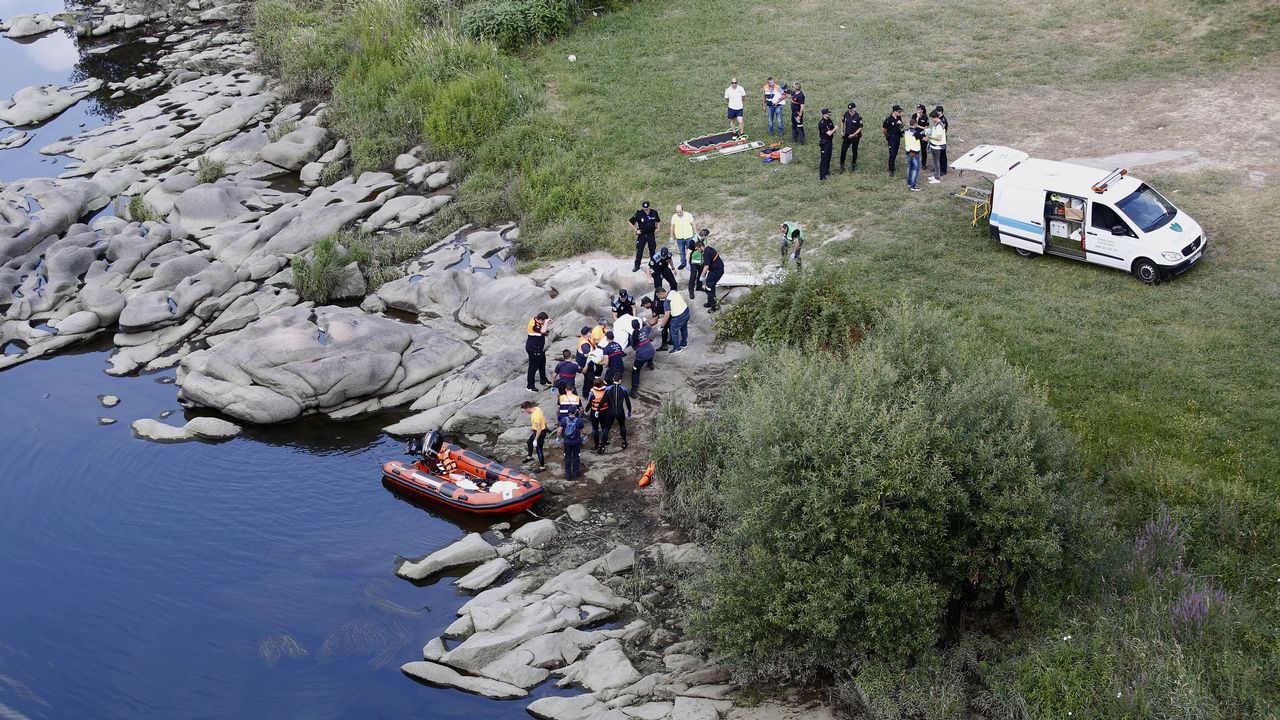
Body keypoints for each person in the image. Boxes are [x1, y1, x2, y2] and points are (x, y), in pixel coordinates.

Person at [600, 376, 633, 451]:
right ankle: (624, 443)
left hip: (610, 411)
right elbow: (628, 402)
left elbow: (603, 401)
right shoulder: (624, 389)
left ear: (613, 379)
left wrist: (598, 410)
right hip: (620, 411)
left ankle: (602, 446)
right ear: (620, 380)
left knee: (607, 428)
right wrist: (629, 411)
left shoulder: (608, 389)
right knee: (622, 426)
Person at [628, 201, 660, 273]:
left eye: (647, 208)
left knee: (652, 251)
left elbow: (658, 220)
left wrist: (658, 228)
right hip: (642, 235)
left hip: (651, 234)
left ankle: (653, 265)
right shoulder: (639, 214)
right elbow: (630, 222)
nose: (646, 210)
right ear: (643, 208)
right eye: (645, 208)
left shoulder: (654, 212)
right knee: (639, 251)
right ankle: (637, 266)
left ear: (649, 207)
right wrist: (636, 230)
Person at [555, 406, 585, 480]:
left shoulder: (563, 420)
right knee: (576, 457)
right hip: (576, 442)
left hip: (567, 442)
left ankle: (567, 475)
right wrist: (586, 436)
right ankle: (575, 474)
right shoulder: (579, 421)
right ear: (575, 412)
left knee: (567, 458)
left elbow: (559, 431)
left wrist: (558, 438)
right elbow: (584, 432)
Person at [657, 287, 690, 352]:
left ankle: (677, 348)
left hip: (678, 316)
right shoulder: (673, 291)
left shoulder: (666, 302)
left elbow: (666, 316)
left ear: (661, 293)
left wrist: (662, 326)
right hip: (686, 312)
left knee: (674, 331)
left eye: (658, 296)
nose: (658, 298)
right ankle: (684, 343)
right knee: (684, 328)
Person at [696, 238, 725, 311]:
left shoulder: (706, 253)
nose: (698, 251)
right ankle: (710, 302)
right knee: (710, 287)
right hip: (717, 270)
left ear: (701, 247)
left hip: (716, 272)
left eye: (697, 249)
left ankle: (714, 306)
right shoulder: (709, 249)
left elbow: (706, 266)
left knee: (709, 289)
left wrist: (702, 276)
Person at [630, 317, 656, 393]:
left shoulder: (632, 337)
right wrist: (645, 320)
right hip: (651, 352)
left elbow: (634, 348)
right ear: (639, 325)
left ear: (632, 327)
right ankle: (650, 364)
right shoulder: (644, 330)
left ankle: (633, 390)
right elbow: (649, 325)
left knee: (635, 371)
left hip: (641, 356)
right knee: (649, 352)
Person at [525, 311, 550, 392]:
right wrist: (546, 323)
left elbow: (542, 332)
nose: (544, 323)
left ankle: (543, 380)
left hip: (539, 348)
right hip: (533, 349)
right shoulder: (534, 325)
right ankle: (530, 386)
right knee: (533, 367)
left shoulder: (537, 320)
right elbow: (542, 331)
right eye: (543, 321)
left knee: (542, 363)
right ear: (540, 320)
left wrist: (545, 331)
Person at [520, 400, 549, 472]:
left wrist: (536, 439)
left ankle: (542, 467)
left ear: (528, 408)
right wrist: (546, 426)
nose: (526, 412)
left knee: (539, 450)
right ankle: (529, 457)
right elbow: (543, 418)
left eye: (525, 410)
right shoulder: (538, 409)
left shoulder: (535, 416)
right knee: (529, 442)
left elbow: (539, 430)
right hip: (539, 431)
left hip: (539, 433)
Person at [669, 204, 697, 270]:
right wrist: (671, 236)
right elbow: (672, 227)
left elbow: (693, 224)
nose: (678, 213)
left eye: (680, 212)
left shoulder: (688, 215)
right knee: (681, 252)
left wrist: (695, 233)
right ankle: (683, 263)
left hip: (688, 237)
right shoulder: (674, 217)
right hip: (679, 238)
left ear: (683, 210)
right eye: (677, 212)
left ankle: (690, 262)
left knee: (690, 251)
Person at [587, 378, 610, 452]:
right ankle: (605, 441)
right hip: (604, 411)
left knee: (595, 428)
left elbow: (589, 402)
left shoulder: (592, 391)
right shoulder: (606, 390)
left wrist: (586, 410)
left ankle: (596, 445)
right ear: (602, 384)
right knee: (604, 427)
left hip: (594, 411)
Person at [839, 102, 863, 173]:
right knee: (843, 150)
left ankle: (853, 164)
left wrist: (854, 134)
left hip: (855, 136)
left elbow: (860, 128)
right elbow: (842, 121)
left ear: (855, 109)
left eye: (851, 110)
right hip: (847, 136)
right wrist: (842, 130)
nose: (850, 111)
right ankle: (842, 165)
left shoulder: (858, 117)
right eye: (849, 110)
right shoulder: (846, 114)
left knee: (854, 150)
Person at [882, 104, 904, 176]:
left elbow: (902, 126)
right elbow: (884, 130)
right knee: (892, 153)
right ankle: (890, 169)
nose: (899, 113)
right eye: (899, 111)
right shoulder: (888, 119)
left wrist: (900, 124)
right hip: (891, 138)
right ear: (894, 111)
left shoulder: (899, 117)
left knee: (895, 152)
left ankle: (892, 165)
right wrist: (888, 136)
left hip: (897, 137)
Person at [927, 110, 947, 184]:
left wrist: (930, 137)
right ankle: (935, 175)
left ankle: (937, 178)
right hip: (934, 145)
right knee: (936, 162)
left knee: (936, 162)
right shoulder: (936, 123)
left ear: (935, 117)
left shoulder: (939, 125)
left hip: (937, 146)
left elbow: (939, 138)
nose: (931, 120)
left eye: (932, 118)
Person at [687, 228, 708, 299]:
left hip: (702, 261)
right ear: (704, 236)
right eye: (707, 236)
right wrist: (687, 263)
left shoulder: (705, 240)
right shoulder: (693, 241)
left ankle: (699, 287)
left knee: (701, 274)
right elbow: (689, 252)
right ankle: (691, 291)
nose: (707, 237)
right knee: (693, 276)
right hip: (694, 262)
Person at [910, 104, 930, 170]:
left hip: (922, 135)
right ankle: (914, 162)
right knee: (914, 149)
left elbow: (926, 128)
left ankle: (923, 164)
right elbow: (912, 124)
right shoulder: (914, 115)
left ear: (922, 110)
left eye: (919, 109)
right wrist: (917, 118)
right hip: (915, 135)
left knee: (923, 150)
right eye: (917, 109)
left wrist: (918, 125)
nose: (917, 110)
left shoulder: (925, 117)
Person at [817, 108, 835, 181]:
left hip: (830, 141)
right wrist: (835, 129)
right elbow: (830, 133)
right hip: (825, 142)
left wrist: (833, 130)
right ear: (824, 114)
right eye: (828, 113)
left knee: (828, 157)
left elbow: (832, 130)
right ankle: (822, 176)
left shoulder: (829, 121)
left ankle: (827, 172)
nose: (829, 114)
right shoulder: (822, 123)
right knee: (824, 159)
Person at [905, 123, 923, 192]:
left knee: (910, 167)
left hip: (908, 152)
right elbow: (925, 139)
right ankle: (913, 186)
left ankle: (909, 182)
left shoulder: (907, 131)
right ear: (915, 124)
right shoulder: (916, 133)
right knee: (916, 169)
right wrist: (927, 134)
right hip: (915, 153)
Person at [933, 105, 950, 175]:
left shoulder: (943, 120)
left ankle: (943, 170)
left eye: (937, 111)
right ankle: (938, 167)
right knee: (938, 154)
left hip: (942, 140)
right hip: (938, 139)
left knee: (942, 155)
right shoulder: (938, 119)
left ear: (940, 112)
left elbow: (943, 130)